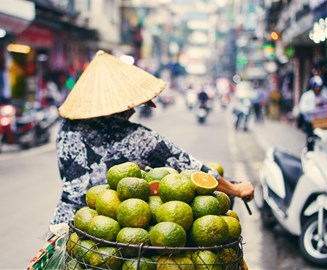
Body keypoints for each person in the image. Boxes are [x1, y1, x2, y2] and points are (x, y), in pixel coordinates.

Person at [51, 51, 254, 225]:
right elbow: (194, 171)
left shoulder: (66, 128)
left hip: (65, 223)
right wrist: (235, 189)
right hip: (104, 227)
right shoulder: (138, 138)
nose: (133, 109)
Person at [298, 75, 327, 150]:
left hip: (322, 123)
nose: (318, 90)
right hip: (310, 123)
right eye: (316, 88)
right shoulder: (307, 96)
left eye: (319, 88)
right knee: (311, 140)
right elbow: (302, 109)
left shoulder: (324, 95)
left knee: (323, 140)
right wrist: (314, 107)